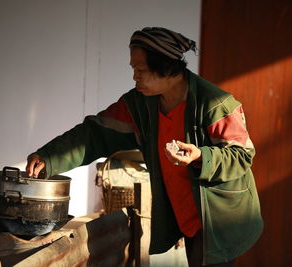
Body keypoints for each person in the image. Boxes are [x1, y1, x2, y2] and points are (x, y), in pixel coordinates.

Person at [26, 27, 263, 267]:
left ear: (167, 69)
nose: (134, 77)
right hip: (185, 215)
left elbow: (241, 156)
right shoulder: (140, 104)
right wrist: (49, 156)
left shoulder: (215, 103)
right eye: (133, 69)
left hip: (219, 217)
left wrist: (201, 155)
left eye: (141, 70)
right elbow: (95, 133)